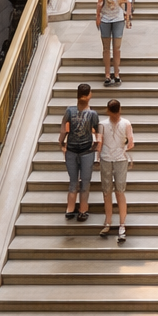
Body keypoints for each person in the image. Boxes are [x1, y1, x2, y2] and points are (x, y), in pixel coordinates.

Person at [59, 81, 99, 221]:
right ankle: (83, 209)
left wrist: (61, 143)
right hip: (87, 149)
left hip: (71, 149)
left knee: (73, 180)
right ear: (89, 95)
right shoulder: (92, 113)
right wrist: (96, 147)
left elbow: (64, 129)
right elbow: (98, 132)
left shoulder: (69, 111)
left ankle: (70, 208)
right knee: (85, 181)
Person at [98, 97, 135, 242]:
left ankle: (109, 222)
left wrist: (97, 156)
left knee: (107, 192)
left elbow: (99, 143)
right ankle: (121, 224)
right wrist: (124, 145)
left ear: (108, 110)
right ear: (119, 109)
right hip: (120, 158)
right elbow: (131, 143)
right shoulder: (126, 123)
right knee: (119, 191)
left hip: (107, 159)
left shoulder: (102, 124)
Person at [97, 0, 131, 86]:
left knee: (116, 48)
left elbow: (128, 1)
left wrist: (127, 16)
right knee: (107, 49)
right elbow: (100, 2)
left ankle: (116, 73)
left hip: (118, 18)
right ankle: (107, 74)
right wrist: (98, 16)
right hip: (106, 19)